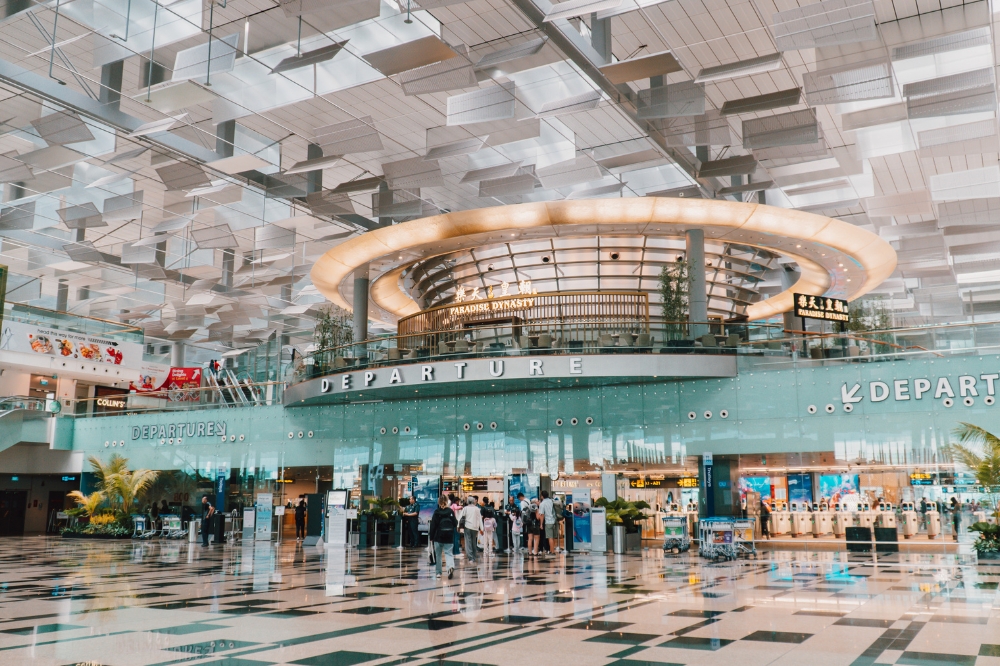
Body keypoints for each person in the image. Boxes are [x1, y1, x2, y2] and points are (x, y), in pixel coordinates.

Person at [428, 496, 457, 579]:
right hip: (449, 536)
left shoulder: (437, 512)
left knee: (438, 555)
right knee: (448, 553)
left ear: (439, 502)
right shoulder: (450, 511)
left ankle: (438, 573)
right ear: (447, 502)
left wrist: (431, 537)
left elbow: (433, 526)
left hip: (438, 536)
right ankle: (450, 567)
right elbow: (455, 524)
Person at [459, 497, 483, 564]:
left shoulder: (465, 508)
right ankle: (474, 557)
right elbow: (480, 519)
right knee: (473, 542)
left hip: (467, 527)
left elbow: (460, 517)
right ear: (473, 502)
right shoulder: (477, 509)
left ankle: (470, 558)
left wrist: (458, 526)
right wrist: (482, 528)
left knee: (468, 542)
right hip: (475, 527)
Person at [539, 491, 556, 557]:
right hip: (553, 520)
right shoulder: (551, 501)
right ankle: (552, 550)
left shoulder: (542, 504)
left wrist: (541, 524)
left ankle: (552, 552)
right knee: (552, 537)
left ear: (542, 496)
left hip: (548, 522)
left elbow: (542, 515)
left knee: (550, 537)